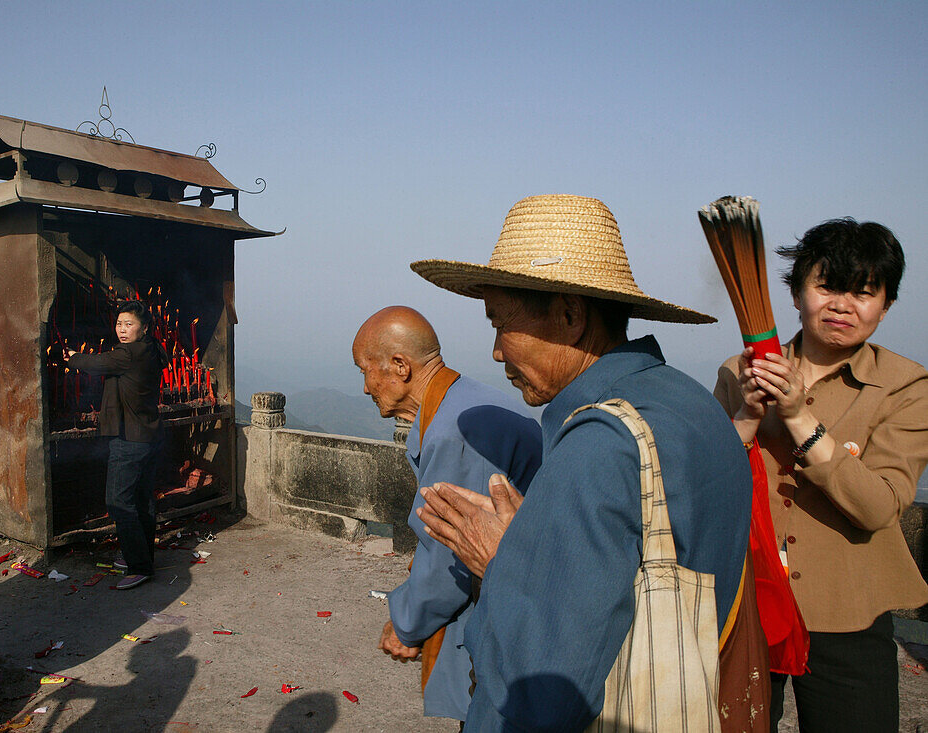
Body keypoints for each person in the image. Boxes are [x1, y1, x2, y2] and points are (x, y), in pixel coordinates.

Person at [408, 194, 757, 730]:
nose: (497, 351)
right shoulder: (691, 403)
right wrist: (537, 548)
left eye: (501, 322)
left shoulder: (600, 443)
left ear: (571, 315)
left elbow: (540, 685)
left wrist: (507, 569)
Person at [713, 218, 928, 732]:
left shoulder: (906, 387)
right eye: (826, 286)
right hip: (749, 606)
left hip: (848, 615)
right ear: (795, 294)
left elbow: (879, 506)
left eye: (863, 292)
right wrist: (746, 416)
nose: (841, 305)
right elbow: (704, 484)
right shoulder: (738, 371)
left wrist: (796, 416)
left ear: (887, 305)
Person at [353, 306, 542, 723]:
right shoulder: (464, 399)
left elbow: (450, 553)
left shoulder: (457, 428)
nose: (365, 387)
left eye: (365, 369)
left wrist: (406, 623)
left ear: (400, 366)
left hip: (510, 618)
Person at [67, 300, 166, 590]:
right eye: (120, 324)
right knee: (142, 501)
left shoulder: (129, 353)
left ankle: (139, 567)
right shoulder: (151, 347)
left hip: (129, 440)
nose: (122, 330)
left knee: (118, 502)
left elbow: (97, 363)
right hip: (148, 436)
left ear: (143, 327)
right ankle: (141, 556)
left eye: (129, 324)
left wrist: (72, 357)